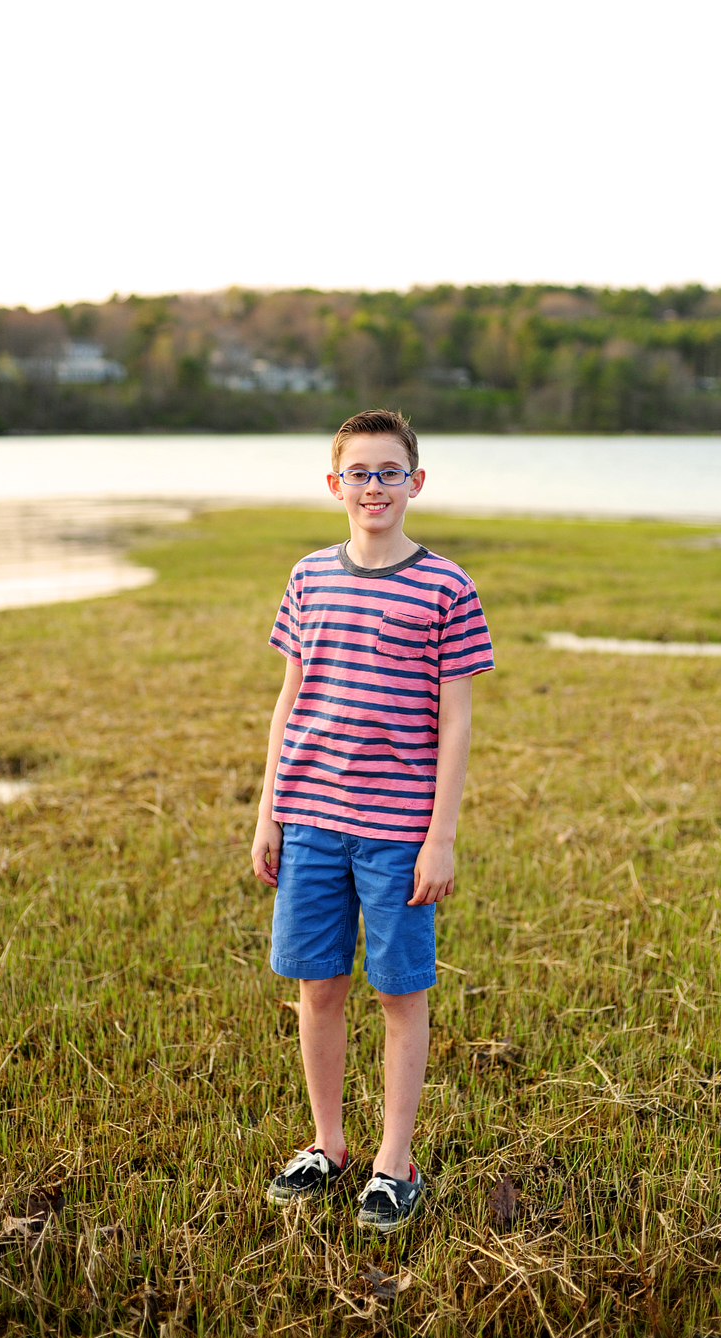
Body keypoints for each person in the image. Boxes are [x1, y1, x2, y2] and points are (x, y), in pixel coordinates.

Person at [251, 408, 494, 1232]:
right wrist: (268, 810)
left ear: (415, 482)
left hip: (398, 834)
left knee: (398, 993)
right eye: (359, 472)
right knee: (317, 987)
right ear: (335, 485)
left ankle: (396, 1160)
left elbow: (456, 720)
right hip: (310, 819)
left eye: (390, 472)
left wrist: (441, 834)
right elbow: (290, 699)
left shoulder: (447, 587)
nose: (375, 486)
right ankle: (328, 1145)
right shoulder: (309, 576)